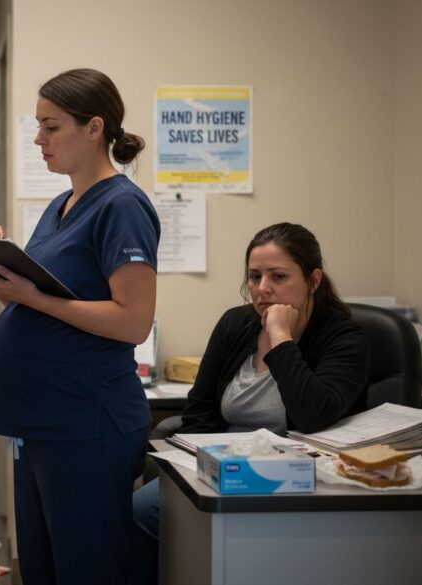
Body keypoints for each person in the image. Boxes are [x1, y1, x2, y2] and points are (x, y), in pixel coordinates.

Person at [0, 69, 160, 585]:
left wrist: (31, 296)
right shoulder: (60, 205)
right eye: (38, 126)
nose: (38, 138)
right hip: (39, 425)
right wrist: (7, 277)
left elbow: (132, 321)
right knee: (42, 570)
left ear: (94, 127)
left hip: (86, 426)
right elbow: (45, 301)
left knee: (86, 571)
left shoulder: (123, 206)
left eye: (50, 126)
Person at [130, 222, 370, 585]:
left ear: (314, 280)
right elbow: (200, 413)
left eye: (278, 276)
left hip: (300, 481)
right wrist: (207, 470)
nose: (262, 289)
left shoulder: (343, 338)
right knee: (136, 513)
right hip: (219, 471)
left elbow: (312, 417)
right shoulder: (235, 325)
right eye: (254, 277)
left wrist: (281, 338)